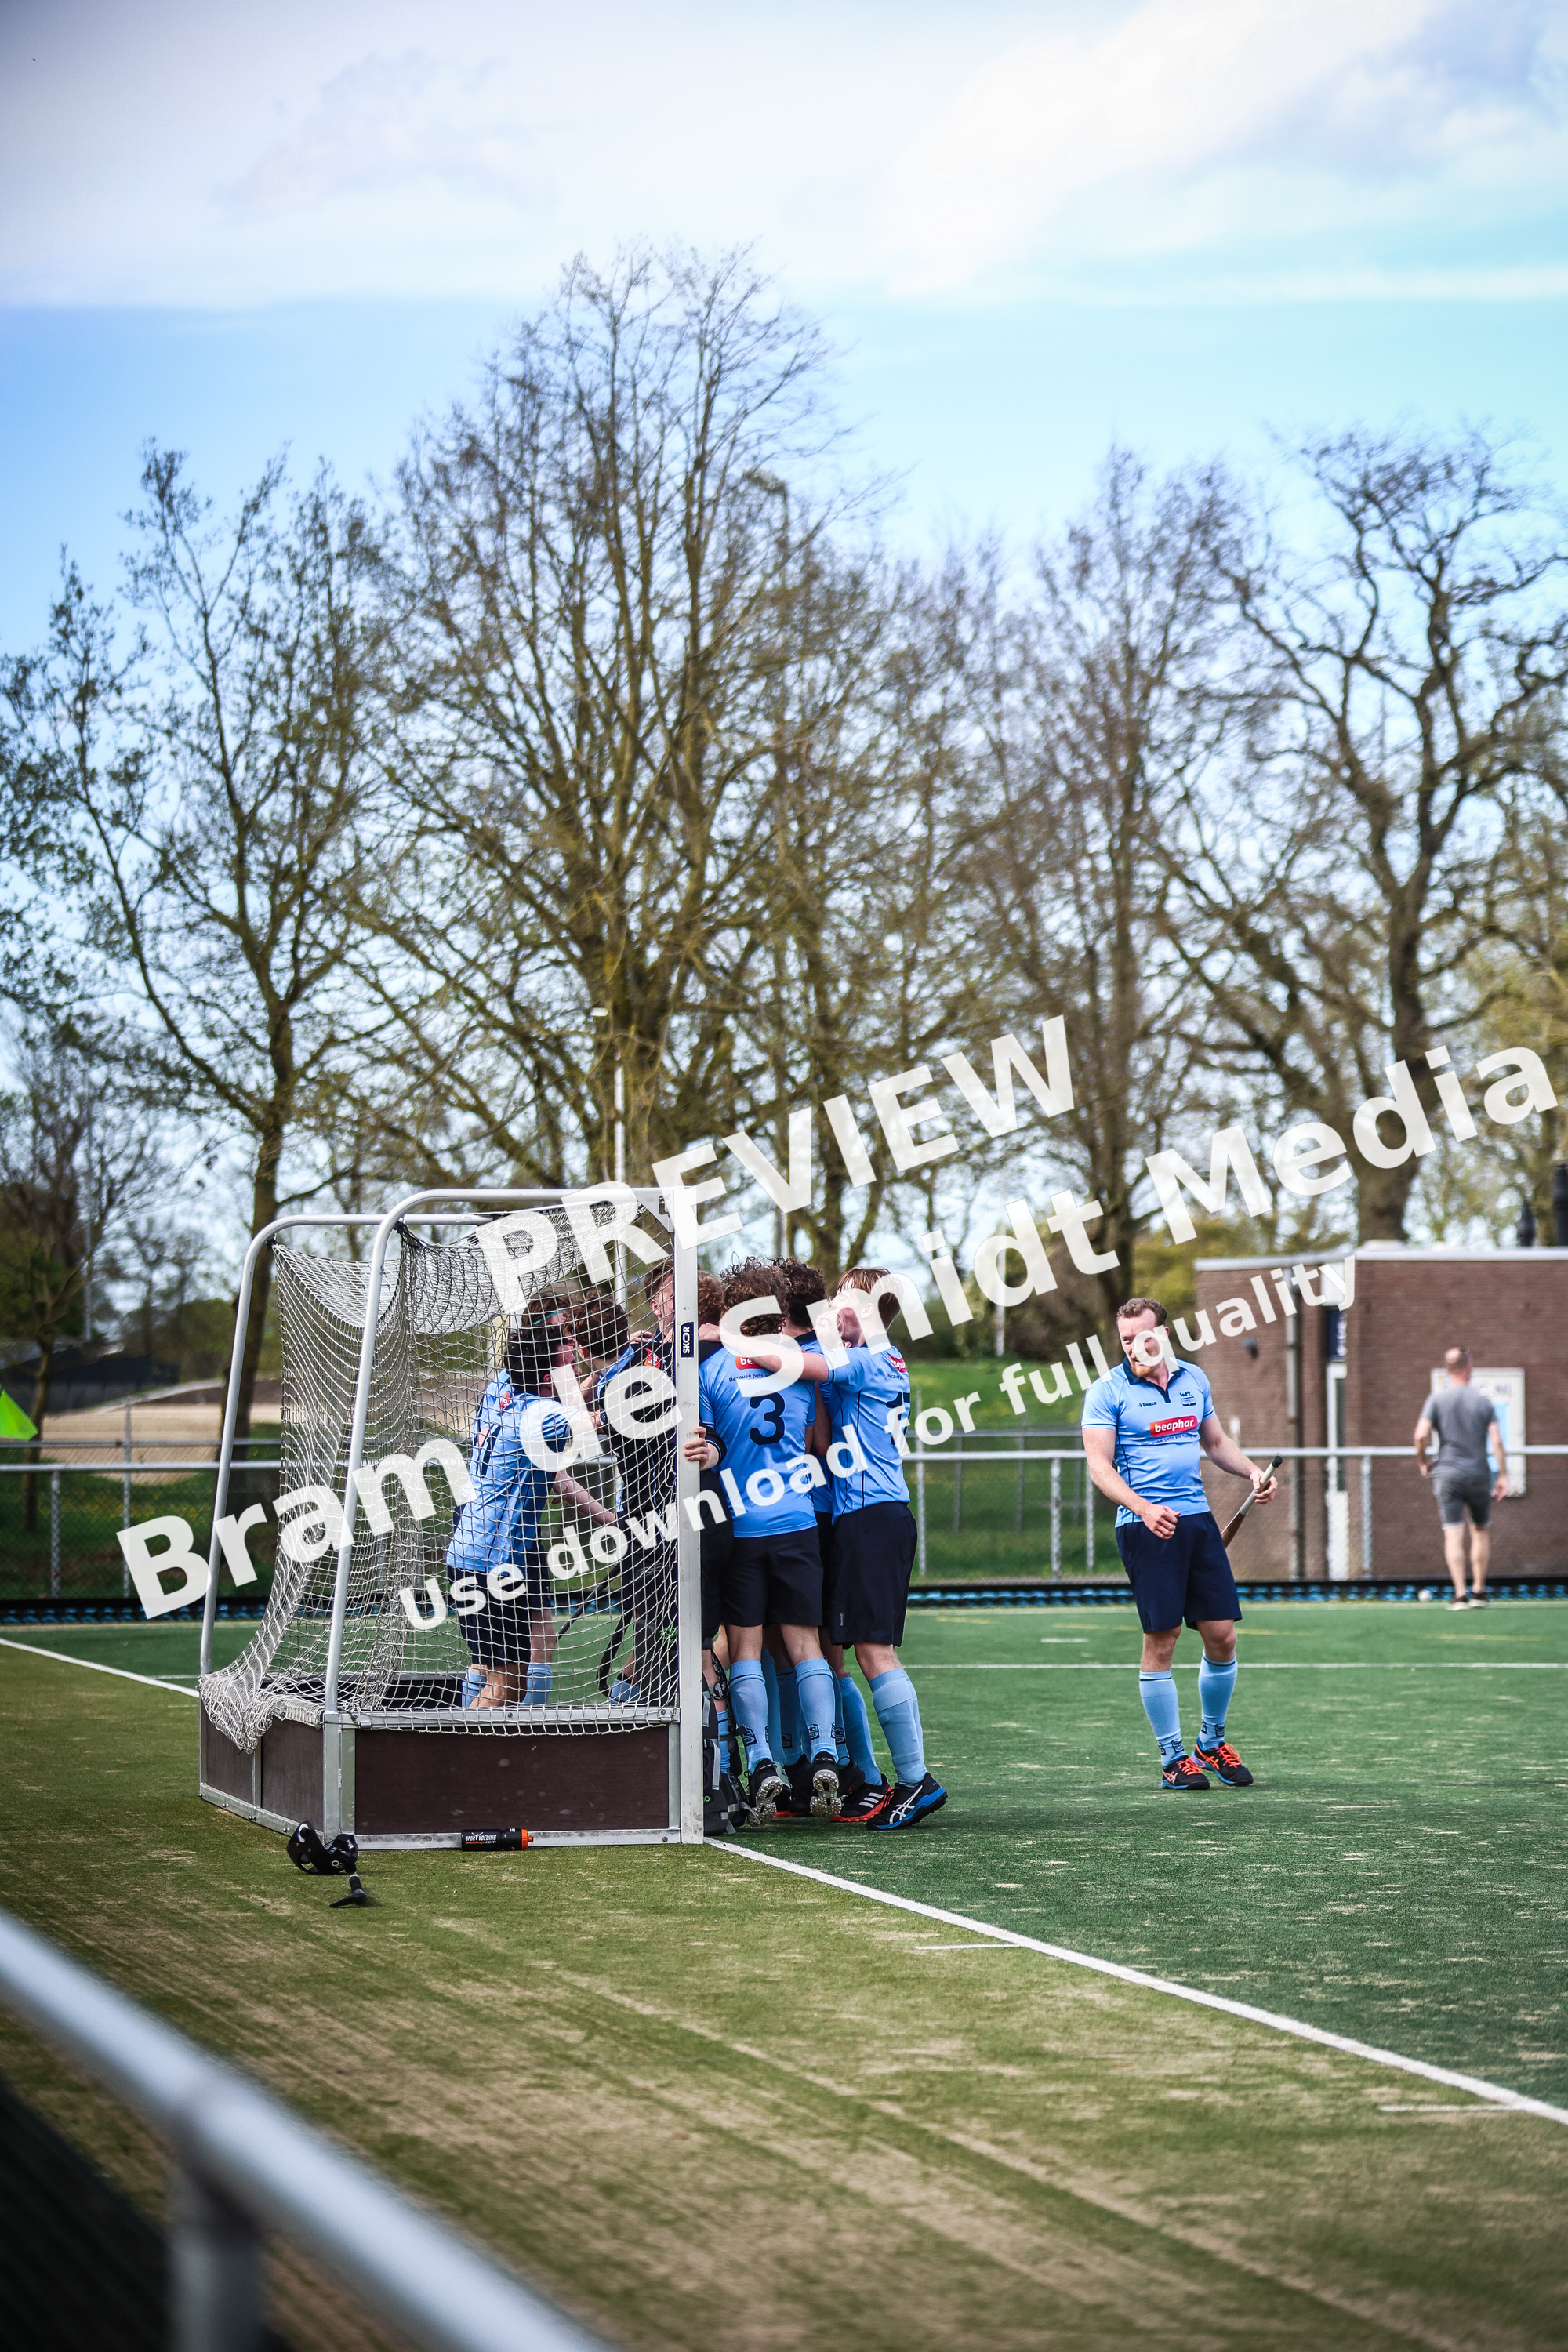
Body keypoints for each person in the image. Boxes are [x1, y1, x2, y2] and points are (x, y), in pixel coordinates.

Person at [1081, 1296, 1277, 1791]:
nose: (1132, 1347)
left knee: (1222, 1635)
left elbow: (1214, 1444)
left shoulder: (1193, 1379)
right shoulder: (1107, 1391)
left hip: (1196, 1521)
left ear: (1164, 1335)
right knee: (1162, 1639)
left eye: (1142, 1337)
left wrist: (1254, 1472)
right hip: (1145, 1526)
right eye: (1124, 1339)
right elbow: (1099, 1467)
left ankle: (1209, 1745)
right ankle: (1172, 1759)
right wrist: (1144, 1509)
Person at [687, 1258, 841, 1822]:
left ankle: (762, 1761)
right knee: (805, 1647)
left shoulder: (710, 1371)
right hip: (797, 1521)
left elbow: (708, 1446)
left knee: (746, 1649)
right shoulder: (799, 1365)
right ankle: (823, 1750)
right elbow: (808, 1438)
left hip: (743, 1527)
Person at [446, 1310, 616, 1708]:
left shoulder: (502, 1389)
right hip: (492, 1562)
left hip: (470, 1551)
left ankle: (485, 1763)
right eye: (566, 1363)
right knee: (503, 1686)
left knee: (508, 1679)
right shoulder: (541, 1414)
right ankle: (453, 1762)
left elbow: (567, 1403)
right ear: (546, 1379)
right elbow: (602, 1419)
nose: (574, 1368)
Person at [1414, 1348, 1508, 1608]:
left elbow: (1420, 1436)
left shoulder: (1436, 1399)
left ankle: (1460, 1595)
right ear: (1469, 1368)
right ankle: (1479, 1591)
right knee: (1479, 1531)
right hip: (1479, 1473)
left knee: (1452, 1533)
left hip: (1447, 1475)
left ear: (1447, 1370)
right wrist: (1502, 1474)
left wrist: (1423, 1462)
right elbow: (1497, 1440)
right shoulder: (1483, 1401)